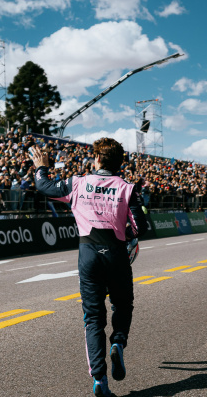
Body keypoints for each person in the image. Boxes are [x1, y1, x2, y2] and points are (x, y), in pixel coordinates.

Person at [29, 138, 147, 397]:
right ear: (119, 163)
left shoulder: (78, 182)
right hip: (115, 253)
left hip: (88, 254)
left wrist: (41, 166)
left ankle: (99, 380)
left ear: (96, 159)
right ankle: (118, 342)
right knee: (123, 305)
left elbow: (43, 186)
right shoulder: (128, 188)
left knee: (93, 318)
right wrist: (125, 233)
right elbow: (141, 227)